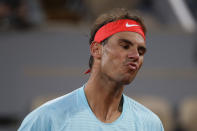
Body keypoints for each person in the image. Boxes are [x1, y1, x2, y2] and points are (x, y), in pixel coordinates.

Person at [18, 8, 164, 131]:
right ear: (96, 49)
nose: (135, 56)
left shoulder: (150, 124)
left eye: (141, 51)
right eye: (125, 46)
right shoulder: (46, 119)